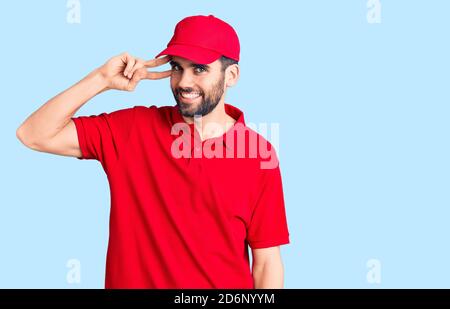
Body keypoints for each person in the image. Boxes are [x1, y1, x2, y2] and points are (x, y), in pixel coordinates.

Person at [16, 14, 290, 289]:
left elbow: (266, 262)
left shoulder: (257, 155)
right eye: (177, 67)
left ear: (231, 75)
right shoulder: (132, 130)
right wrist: (101, 79)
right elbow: (34, 134)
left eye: (199, 69)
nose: (184, 82)